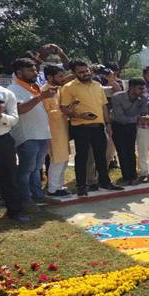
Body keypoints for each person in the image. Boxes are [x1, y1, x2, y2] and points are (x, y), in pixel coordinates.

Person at [60, 60, 123, 196]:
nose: (85, 74)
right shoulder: (68, 87)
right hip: (80, 127)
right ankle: (82, 186)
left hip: (99, 126)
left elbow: (103, 106)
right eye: (81, 72)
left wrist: (108, 124)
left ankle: (105, 183)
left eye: (87, 70)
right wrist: (79, 115)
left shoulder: (97, 85)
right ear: (74, 73)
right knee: (82, 157)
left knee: (101, 156)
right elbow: (64, 108)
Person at [8, 58, 56, 209]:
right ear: (19, 72)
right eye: (30, 70)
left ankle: (38, 195)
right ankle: (25, 198)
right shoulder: (13, 89)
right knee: (26, 169)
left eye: (35, 69)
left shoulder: (35, 88)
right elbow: (20, 110)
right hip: (27, 136)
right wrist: (41, 97)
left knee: (36, 168)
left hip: (42, 134)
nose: (35, 72)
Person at [0, 61, 29, 222]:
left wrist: (1, 116)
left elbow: (14, 119)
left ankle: (15, 211)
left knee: (8, 177)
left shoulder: (6, 94)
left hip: (1, 141)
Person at [110, 78, 149, 186]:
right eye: (140, 88)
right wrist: (138, 118)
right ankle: (126, 177)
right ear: (131, 88)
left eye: (143, 89)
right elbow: (120, 117)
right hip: (117, 126)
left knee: (131, 151)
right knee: (122, 152)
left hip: (131, 127)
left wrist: (147, 117)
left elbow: (144, 113)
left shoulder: (143, 99)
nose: (142, 91)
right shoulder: (117, 97)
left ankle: (133, 176)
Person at [42, 65, 71, 197]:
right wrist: (65, 111)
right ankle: (53, 189)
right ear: (49, 77)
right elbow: (50, 112)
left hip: (62, 128)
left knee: (64, 158)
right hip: (53, 130)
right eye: (60, 76)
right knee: (57, 159)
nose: (62, 78)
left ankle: (59, 186)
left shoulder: (58, 89)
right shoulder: (46, 91)